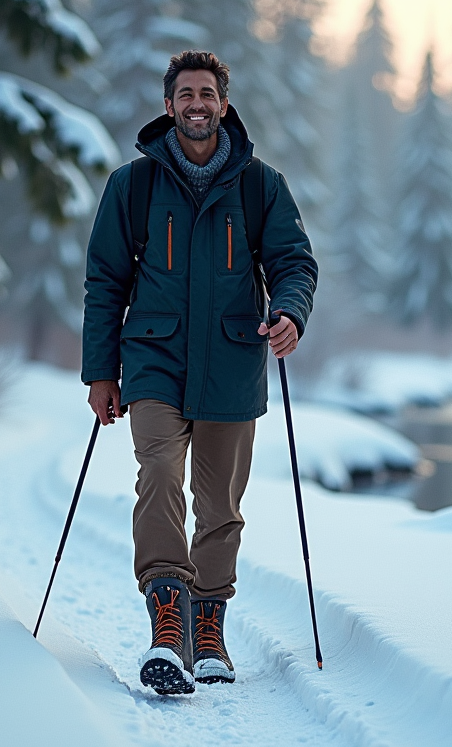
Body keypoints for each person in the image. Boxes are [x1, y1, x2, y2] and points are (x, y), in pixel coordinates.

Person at [81, 50, 318, 695]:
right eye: (185, 94)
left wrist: (290, 312)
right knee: (158, 472)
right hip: (153, 358)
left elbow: (294, 262)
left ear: (223, 103)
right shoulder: (132, 185)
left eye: (207, 93)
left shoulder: (260, 185)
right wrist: (101, 373)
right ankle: (166, 620)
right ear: (168, 106)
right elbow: (105, 279)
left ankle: (207, 623)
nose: (196, 104)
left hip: (234, 360)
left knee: (220, 504)